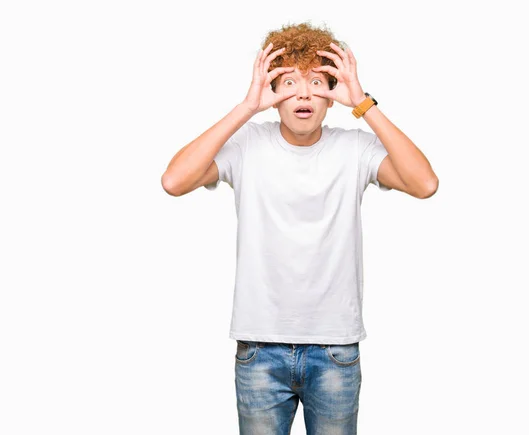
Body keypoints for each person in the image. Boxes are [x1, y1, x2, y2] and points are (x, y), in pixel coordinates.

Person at [161, 22, 438, 435]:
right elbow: (174, 181)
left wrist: (362, 103)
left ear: (331, 97)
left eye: (316, 83)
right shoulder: (247, 145)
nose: (304, 93)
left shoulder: (354, 149)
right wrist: (245, 108)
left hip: (335, 349)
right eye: (289, 82)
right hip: (259, 348)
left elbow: (425, 184)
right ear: (273, 96)